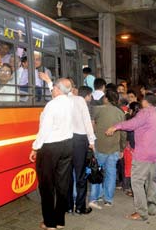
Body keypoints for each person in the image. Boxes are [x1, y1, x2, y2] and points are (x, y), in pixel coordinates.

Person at [106, 93, 156, 221]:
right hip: (155, 153)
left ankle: (141, 212)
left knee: (136, 182)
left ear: (145, 102)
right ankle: (151, 208)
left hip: (144, 154)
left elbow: (132, 124)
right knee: (151, 181)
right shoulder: (155, 113)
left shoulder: (144, 113)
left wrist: (115, 126)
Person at [29, 79, 74, 230]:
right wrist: (49, 82)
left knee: (47, 186)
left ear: (58, 89)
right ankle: (60, 220)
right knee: (62, 184)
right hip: (67, 145)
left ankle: (49, 223)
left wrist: (35, 147)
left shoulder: (52, 105)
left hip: (50, 147)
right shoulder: (70, 102)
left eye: (53, 87)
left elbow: (45, 130)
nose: (52, 90)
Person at [89, 90, 126, 209]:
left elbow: (92, 126)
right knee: (111, 173)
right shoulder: (121, 112)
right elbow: (123, 133)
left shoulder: (97, 109)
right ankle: (108, 199)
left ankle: (96, 197)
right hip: (114, 147)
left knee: (97, 171)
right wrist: (122, 148)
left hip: (99, 146)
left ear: (106, 98)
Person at [67, 84, 96, 215]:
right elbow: (87, 122)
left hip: (65, 140)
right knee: (81, 176)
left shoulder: (61, 100)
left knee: (67, 176)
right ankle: (80, 207)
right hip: (79, 140)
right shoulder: (79, 100)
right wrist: (91, 141)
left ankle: (67, 207)